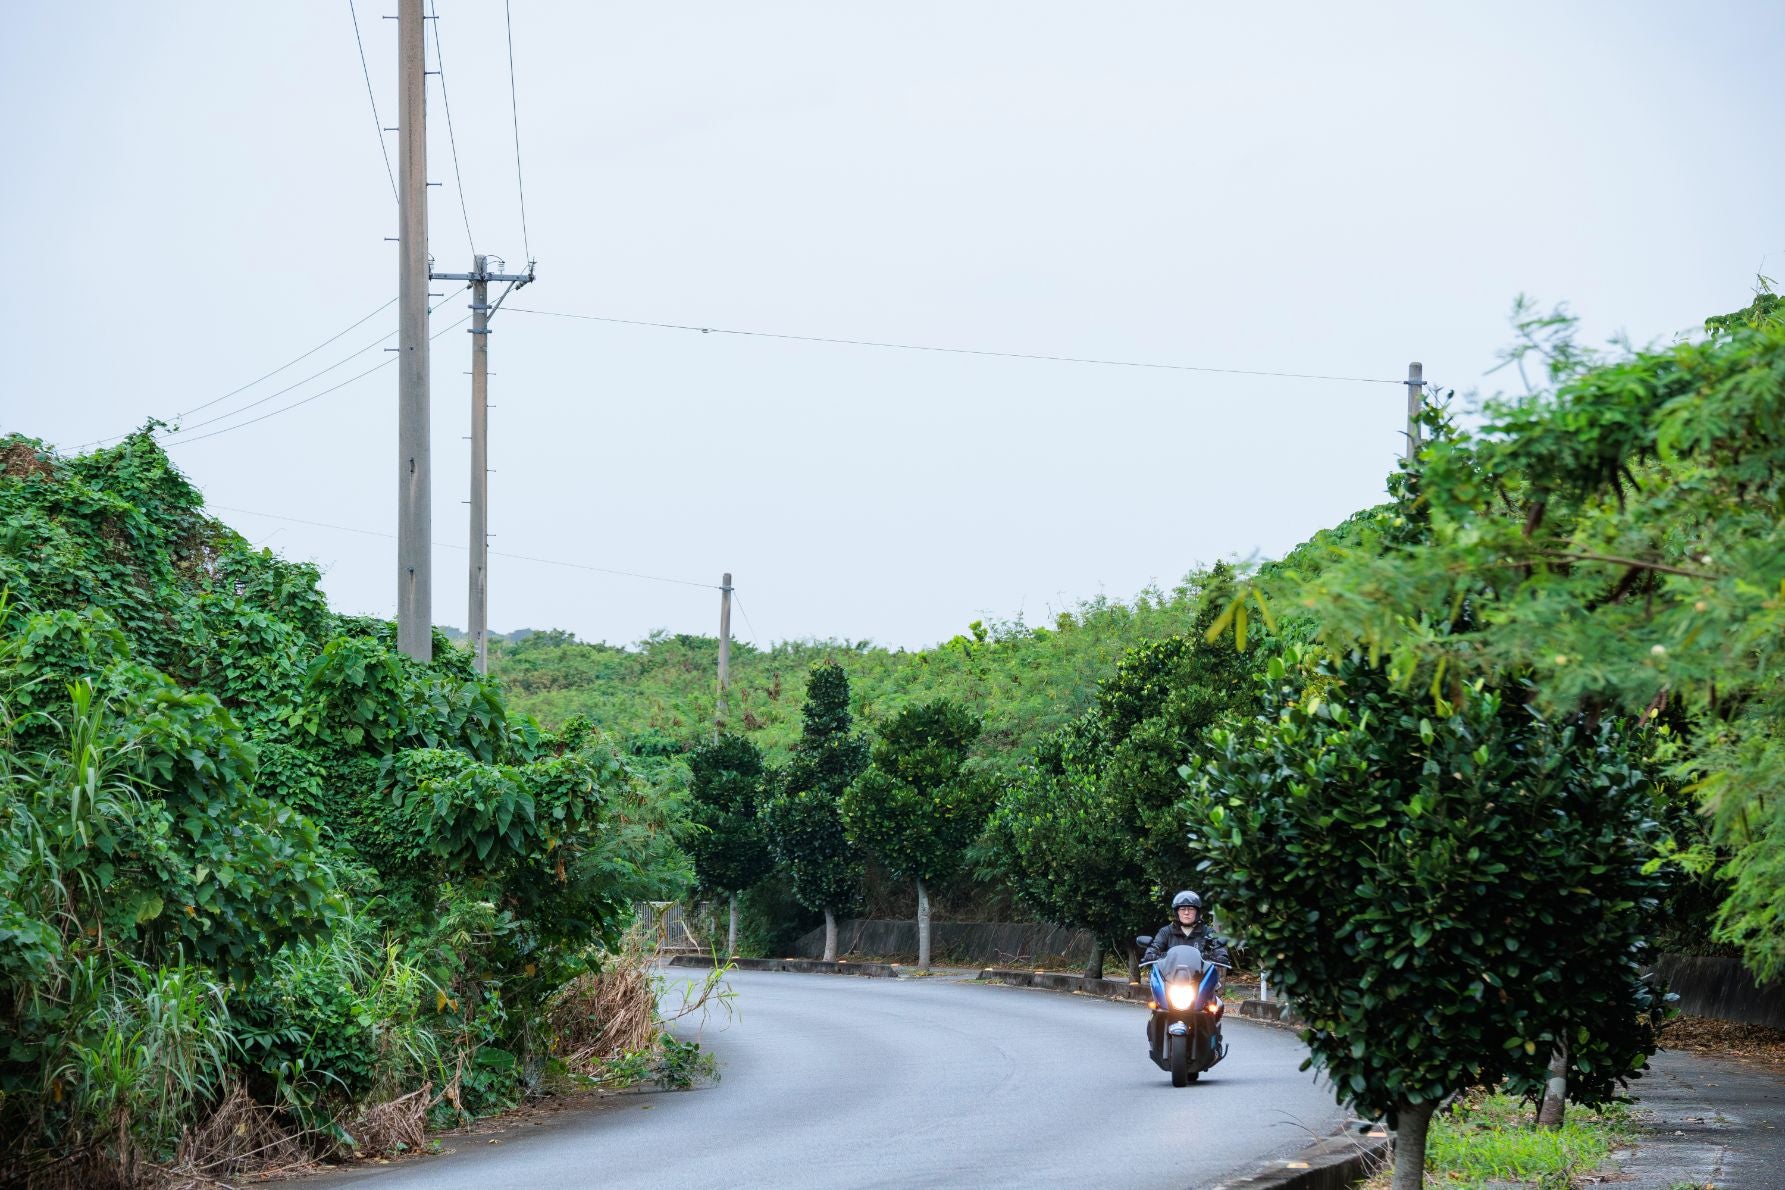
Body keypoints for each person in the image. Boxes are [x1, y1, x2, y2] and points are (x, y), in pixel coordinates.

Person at [1143, 890, 1230, 1064]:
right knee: (1155, 1008)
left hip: (1198, 982)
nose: (1187, 912)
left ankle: (1214, 1043)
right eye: (1183, 909)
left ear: (1197, 912)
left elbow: (1219, 948)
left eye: (1190, 909)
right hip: (1173, 982)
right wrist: (1150, 954)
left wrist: (1221, 955)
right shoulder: (1166, 932)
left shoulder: (1207, 932)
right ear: (1177, 912)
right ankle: (1155, 1042)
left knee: (1216, 1006)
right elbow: (1154, 947)